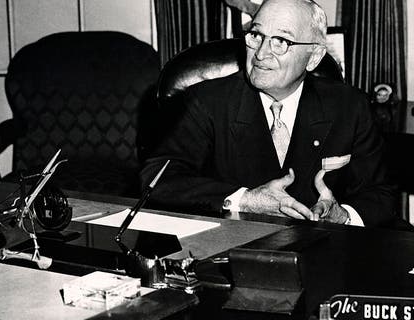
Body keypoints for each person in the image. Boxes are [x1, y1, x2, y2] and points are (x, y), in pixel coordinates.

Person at [141, 0, 396, 227]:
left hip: (322, 254)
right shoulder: (206, 101)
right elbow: (157, 180)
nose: (261, 54)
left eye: (282, 41)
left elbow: (381, 194)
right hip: (231, 254)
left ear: (314, 57)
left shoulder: (350, 106)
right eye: (256, 35)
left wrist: (343, 216)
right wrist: (245, 200)